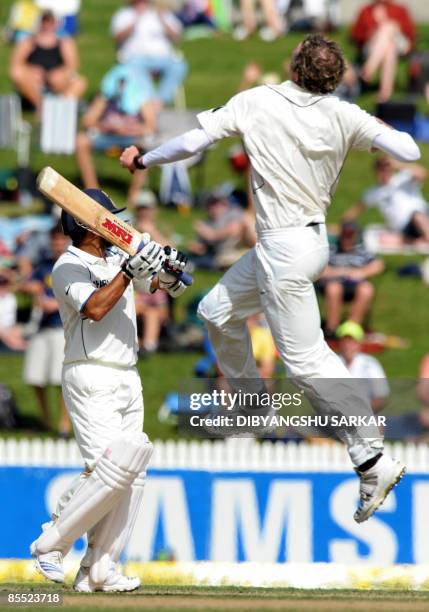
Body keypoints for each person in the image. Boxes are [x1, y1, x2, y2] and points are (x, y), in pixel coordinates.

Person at [120, 34, 421, 523]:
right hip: (298, 245)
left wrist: (143, 159)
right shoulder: (344, 113)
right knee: (216, 311)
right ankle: (251, 403)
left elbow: (195, 140)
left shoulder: (256, 100)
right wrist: (371, 127)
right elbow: (407, 149)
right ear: (334, 78)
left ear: (295, 66)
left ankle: (371, 457)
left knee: (306, 359)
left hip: (284, 250)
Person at [29, 188, 189, 591]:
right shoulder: (67, 266)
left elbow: (167, 286)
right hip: (90, 373)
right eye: (108, 219)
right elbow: (96, 309)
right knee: (109, 469)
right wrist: (130, 272)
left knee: (131, 472)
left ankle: (99, 570)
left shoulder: (119, 256)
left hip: (126, 373)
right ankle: (51, 543)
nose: (119, 225)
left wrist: (168, 272)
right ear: (89, 225)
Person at [75, 64, 156, 205]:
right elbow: (88, 121)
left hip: (131, 139)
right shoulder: (107, 96)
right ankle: (92, 191)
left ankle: (134, 196)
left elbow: (150, 126)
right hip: (107, 137)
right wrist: (104, 126)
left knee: (144, 148)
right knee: (81, 141)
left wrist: (128, 130)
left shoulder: (141, 96)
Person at [20, 224, 71, 436]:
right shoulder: (43, 265)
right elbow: (26, 284)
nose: (57, 244)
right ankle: (46, 420)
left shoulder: (72, 266)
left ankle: (64, 425)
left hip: (62, 327)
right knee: (34, 377)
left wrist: (57, 305)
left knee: (59, 380)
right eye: (54, 240)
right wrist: (29, 287)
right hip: (41, 327)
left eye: (60, 239)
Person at [110, 0, 187, 108]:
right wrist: (135, 19)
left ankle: (159, 101)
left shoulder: (162, 13)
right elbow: (117, 38)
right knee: (133, 68)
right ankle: (150, 101)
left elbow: (177, 38)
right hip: (135, 58)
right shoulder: (124, 14)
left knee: (178, 66)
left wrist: (162, 19)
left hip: (164, 58)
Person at [9, 9, 86, 111]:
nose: (47, 25)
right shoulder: (28, 41)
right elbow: (15, 64)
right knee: (18, 74)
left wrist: (61, 73)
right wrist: (29, 70)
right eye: (44, 21)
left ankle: (62, 107)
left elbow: (73, 65)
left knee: (79, 83)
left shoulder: (64, 42)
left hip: (57, 81)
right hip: (35, 82)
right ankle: (41, 106)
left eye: (50, 22)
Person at [317, 221, 384, 337]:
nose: (347, 238)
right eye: (345, 235)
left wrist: (361, 272)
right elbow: (320, 269)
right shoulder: (331, 250)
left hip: (354, 284)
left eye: (350, 235)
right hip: (333, 283)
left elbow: (379, 265)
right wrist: (341, 272)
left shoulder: (361, 251)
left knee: (366, 289)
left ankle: (352, 328)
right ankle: (332, 328)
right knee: (334, 288)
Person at [345, 156, 429, 246]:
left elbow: (423, 173)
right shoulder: (374, 192)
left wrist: (397, 164)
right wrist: (343, 224)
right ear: (376, 172)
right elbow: (356, 209)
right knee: (384, 239)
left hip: (423, 218)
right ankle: (417, 241)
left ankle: (426, 239)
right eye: (381, 170)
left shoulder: (403, 179)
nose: (384, 173)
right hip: (404, 229)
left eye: (387, 170)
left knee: (417, 216)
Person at [351, 0, 415, 102]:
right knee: (390, 47)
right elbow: (356, 35)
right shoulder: (365, 10)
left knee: (388, 27)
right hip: (372, 45)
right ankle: (385, 92)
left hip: (400, 42)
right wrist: (372, 33)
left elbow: (410, 33)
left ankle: (368, 69)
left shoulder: (400, 9)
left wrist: (395, 27)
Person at [337, 321, 390, 413]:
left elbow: (381, 395)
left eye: (352, 341)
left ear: (359, 343)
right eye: (345, 341)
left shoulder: (370, 364)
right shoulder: (333, 362)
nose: (348, 345)